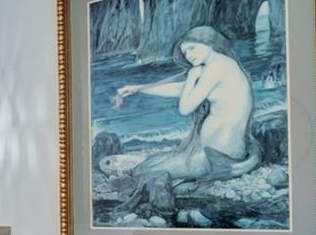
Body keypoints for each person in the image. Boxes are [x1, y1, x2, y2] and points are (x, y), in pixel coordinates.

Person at [111, 26, 259, 183]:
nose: (189, 56)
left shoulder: (217, 67)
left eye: (192, 48)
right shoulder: (218, 65)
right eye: (185, 52)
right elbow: (181, 90)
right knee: (147, 164)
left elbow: (185, 108)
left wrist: (191, 77)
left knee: (142, 171)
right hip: (215, 150)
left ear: (209, 43)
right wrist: (139, 89)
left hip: (219, 155)